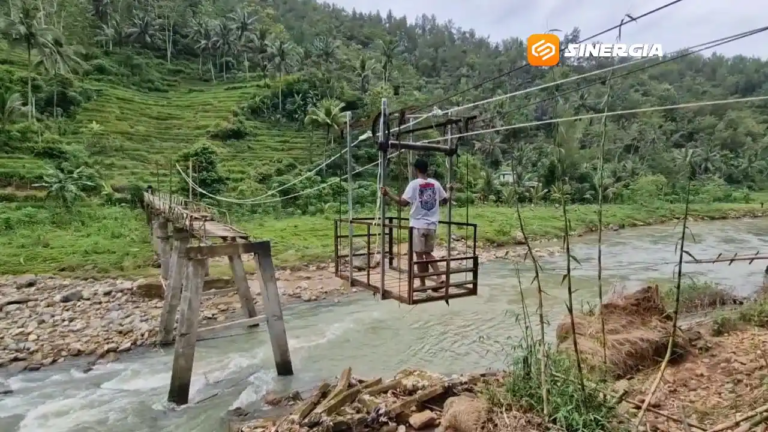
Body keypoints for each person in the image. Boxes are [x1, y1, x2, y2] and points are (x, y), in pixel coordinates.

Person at [381, 158, 453, 290]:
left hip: (418, 225)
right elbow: (445, 200)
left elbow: (403, 203)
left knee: (419, 255)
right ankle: (439, 278)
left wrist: (388, 194)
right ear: (427, 169)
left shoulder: (414, 184)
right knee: (428, 253)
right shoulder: (435, 184)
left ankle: (423, 283)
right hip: (432, 225)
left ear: (416, 170)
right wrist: (449, 190)